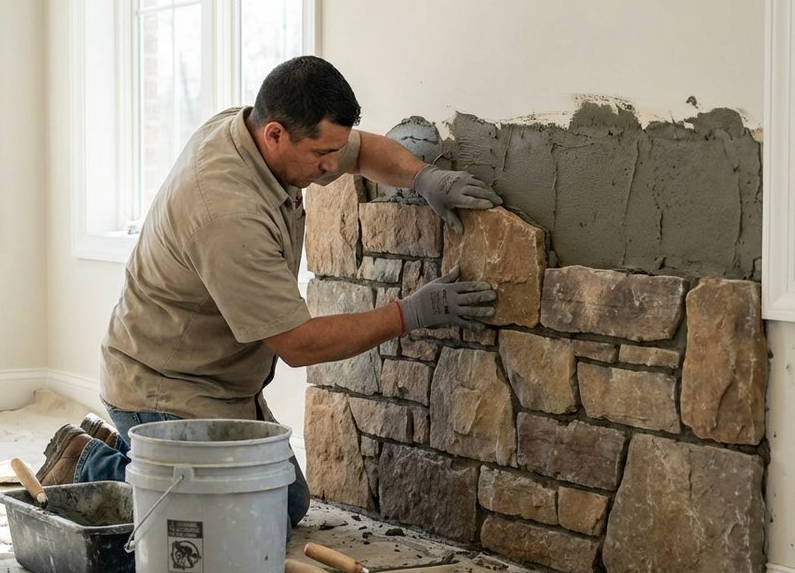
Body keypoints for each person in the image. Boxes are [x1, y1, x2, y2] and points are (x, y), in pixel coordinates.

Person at [37, 56, 501, 529]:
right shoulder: (226, 214)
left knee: (282, 498)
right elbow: (298, 344)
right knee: (263, 514)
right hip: (166, 388)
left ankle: (131, 451)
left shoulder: (259, 130)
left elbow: (359, 152)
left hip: (219, 381)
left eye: (333, 151)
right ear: (275, 134)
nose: (331, 166)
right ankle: (88, 463)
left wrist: (423, 177)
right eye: (322, 154)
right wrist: (414, 312)